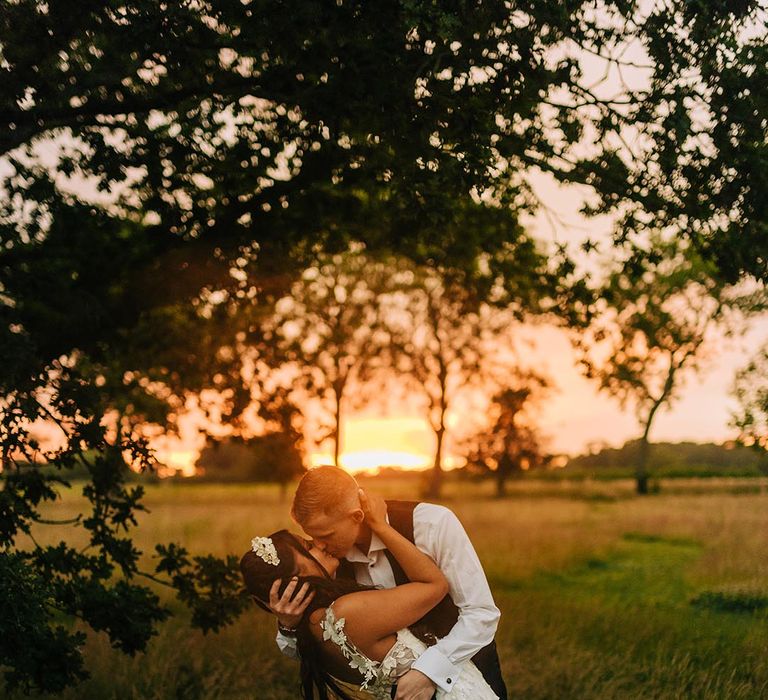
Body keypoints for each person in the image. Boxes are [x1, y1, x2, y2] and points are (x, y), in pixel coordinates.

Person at [270, 466, 507, 700]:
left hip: (468, 674)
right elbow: (326, 645)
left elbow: (481, 613)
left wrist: (429, 671)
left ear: (357, 516)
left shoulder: (432, 524)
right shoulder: (331, 563)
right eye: (312, 537)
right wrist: (289, 624)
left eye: (326, 535)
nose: (319, 546)